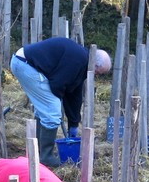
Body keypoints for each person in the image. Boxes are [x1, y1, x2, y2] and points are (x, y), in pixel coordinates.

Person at [10, 37, 112, 168]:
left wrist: (73, 124)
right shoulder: (77, 60)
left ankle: (38, 152)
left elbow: (74, 95)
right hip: (25, 64)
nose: (97, 76)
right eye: (99, 73)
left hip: (25, 63)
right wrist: (58, 102)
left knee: (46, 109)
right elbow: (58, 85)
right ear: (95, 64)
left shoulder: (82, 61)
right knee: (52, 112)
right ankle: (46, 157)